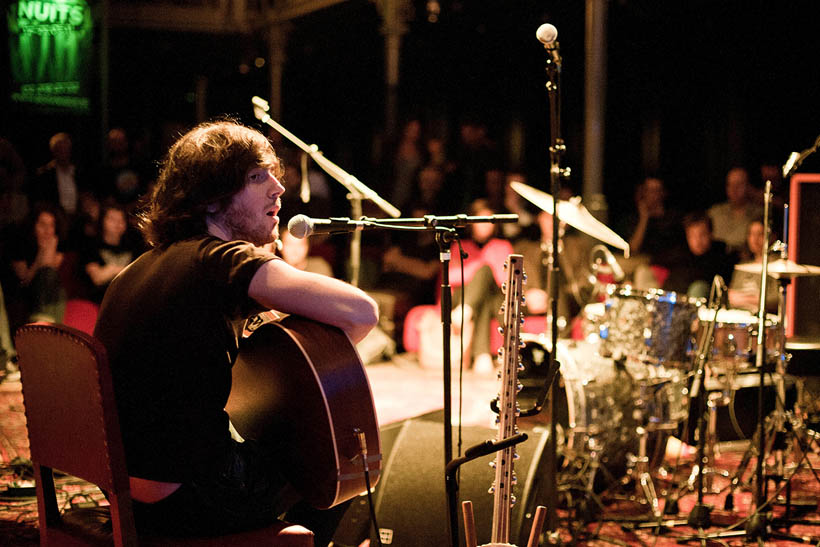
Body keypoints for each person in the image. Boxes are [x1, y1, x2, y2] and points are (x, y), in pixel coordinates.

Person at [92, 121, 379, 541]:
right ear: (211, 198)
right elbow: (361, 312)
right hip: (189, 496)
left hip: (125, 492)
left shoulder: (140, 269)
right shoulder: (219, 260)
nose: (279, 188)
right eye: (257, 176)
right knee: (348, 466)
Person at [662, 211, 737, 298]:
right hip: (678, 305)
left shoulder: (722, 258)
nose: (697, 241)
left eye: (702, 235)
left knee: (699, 288)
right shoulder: (680, 257)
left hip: (707, 308)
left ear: (711, 234)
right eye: (692, 236)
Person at [728, 218, 779, 313]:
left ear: (772, 237)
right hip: (740, 315)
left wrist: (745, 299)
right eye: (751, 234)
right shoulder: (742, 266)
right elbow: (732, 297)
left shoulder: (778, 266)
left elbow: (776, 299)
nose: (755, 239)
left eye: (760, 234)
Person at [707, 167, 761, 255]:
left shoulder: (759, 214)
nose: (734, 189)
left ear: (748, 187)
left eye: (739, 184)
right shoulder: (714, 213)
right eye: (730, 184)